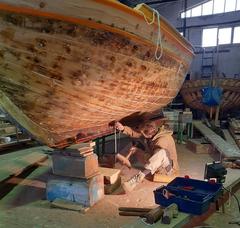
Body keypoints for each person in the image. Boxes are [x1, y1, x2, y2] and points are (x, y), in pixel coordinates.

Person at [114, 120, 179, 192]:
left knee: (161, 152)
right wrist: (123, 128)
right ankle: (118, 167)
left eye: (145, 135)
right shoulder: (153, 133)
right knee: (135, 149)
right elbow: (136, 133)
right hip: (155, 162)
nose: (143, 136)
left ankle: (138, 178)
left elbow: (158, 157)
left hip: (168, 169)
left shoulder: (163, 139)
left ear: (152, 132)